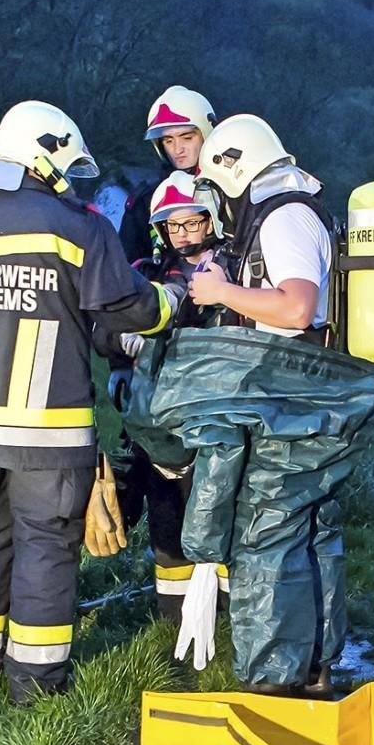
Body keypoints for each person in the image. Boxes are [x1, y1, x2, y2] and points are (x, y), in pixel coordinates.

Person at [0, 100, 186, 702]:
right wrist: (177, 297)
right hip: (51, 439)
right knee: (47, 551)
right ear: (46, 159)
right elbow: (132, 310)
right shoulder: (79, 228)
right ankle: (36, 685)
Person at [154, 114, 374, 696]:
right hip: (309, 396)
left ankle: (274, 682)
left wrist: (220, 291)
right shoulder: (289, 210)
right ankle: (314, 666)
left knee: (266, 533)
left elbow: (296, 308)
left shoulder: (283, 217)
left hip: (296, 401)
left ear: (235, 171)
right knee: (311, 528)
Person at [106, 170, 232, 621]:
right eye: (171, 225)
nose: (182, 234)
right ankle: (173, 622)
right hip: (158, 424)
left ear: (211, 220)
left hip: (217, 420)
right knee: (166, 517)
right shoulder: (148, 272)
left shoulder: (233, 271)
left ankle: (230, 620)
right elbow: (104, 326)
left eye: (191, 222)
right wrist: (123, 339)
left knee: (221, 518)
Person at [114, 85, 217, 267]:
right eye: (168, 141)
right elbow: (124, 266)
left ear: (206, 133)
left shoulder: (231, 191)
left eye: (187, 137)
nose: (177, 149)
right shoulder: (146, 202)